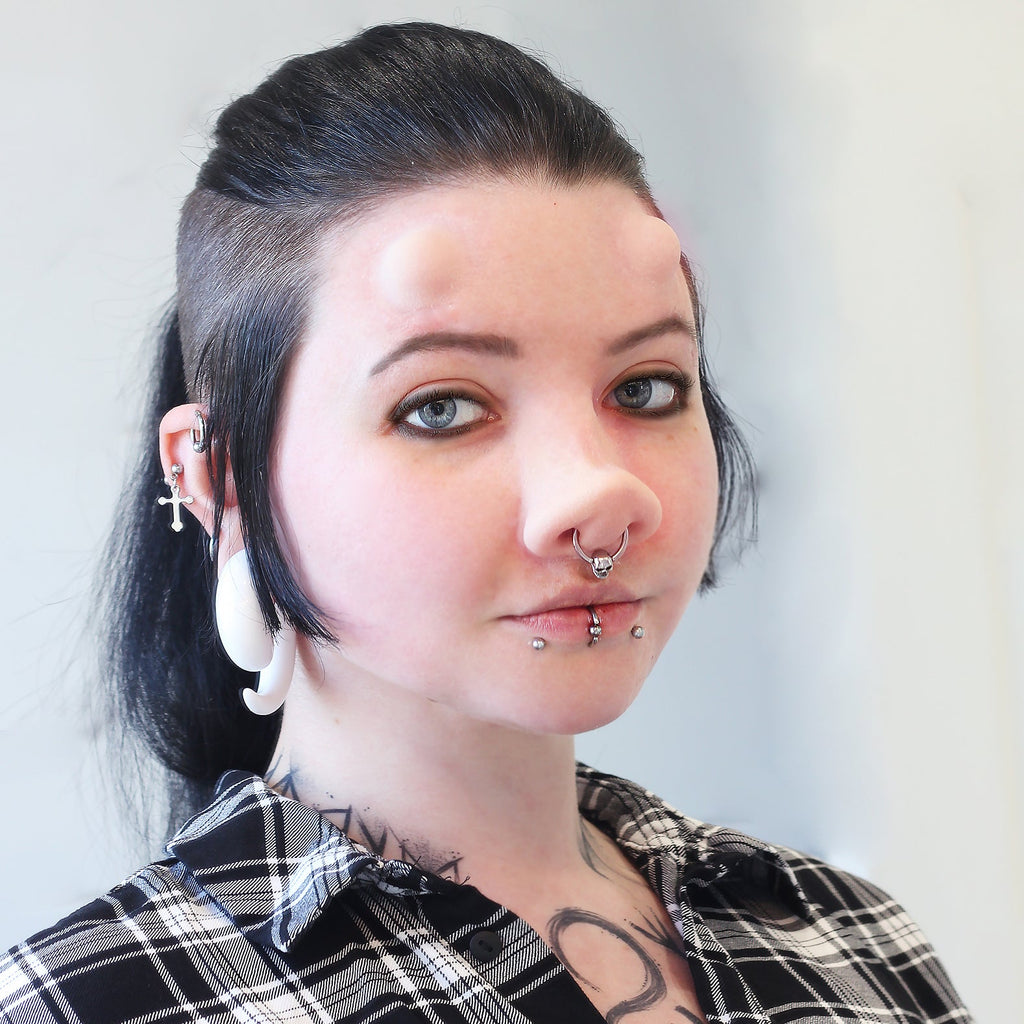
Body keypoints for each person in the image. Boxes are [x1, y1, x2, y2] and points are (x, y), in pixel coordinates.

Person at [0, 22, 970, 1024]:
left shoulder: (849, 940)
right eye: (442, 408)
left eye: (643, 388)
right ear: (217, 474)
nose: (599, 495)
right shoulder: (93, 1004)